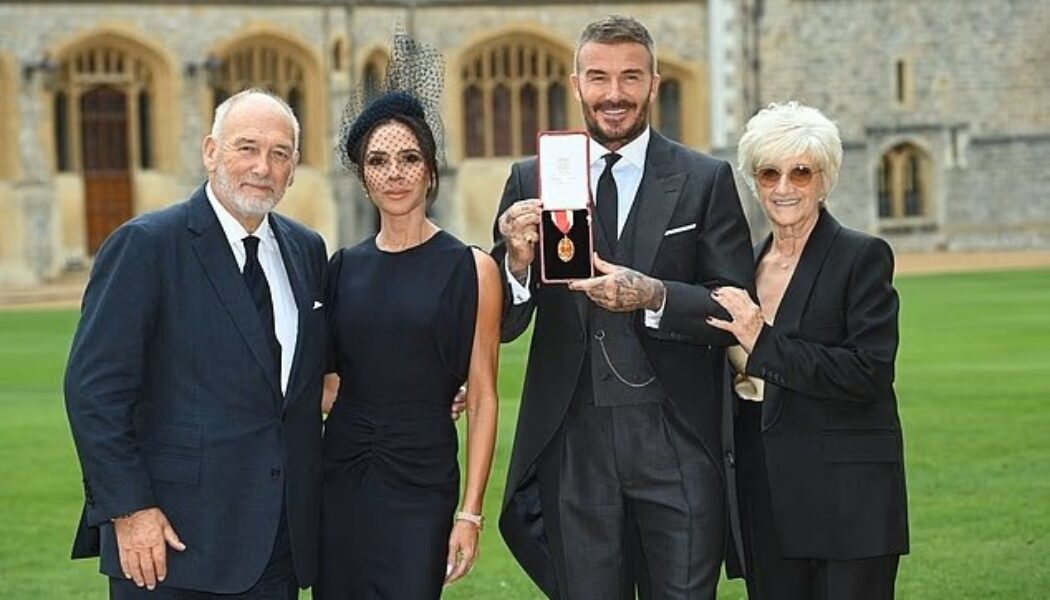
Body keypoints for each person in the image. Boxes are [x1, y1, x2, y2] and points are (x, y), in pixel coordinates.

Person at [493, 14, 755, 600]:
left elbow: (737, 308)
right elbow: (507, 324)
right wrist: (514, 261)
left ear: (654, 84)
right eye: (599, 78)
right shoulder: (531, 178)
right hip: (574, 441)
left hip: (677, 439)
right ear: (576, 83)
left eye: (630, 77)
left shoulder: (703, 179)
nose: (614, 94)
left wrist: (656, 295)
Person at [64, 89, 329, 598]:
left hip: (279, 546)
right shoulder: (146, 246)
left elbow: (312, 376)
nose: (262, 166)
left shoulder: (306, 249)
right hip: (170, 546)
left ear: (294, 168)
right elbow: (93, 391)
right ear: (211, 151)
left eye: (280, 153)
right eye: (246, 147)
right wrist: (130, 509)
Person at [710, 101, 909, 599]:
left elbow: (869, 372)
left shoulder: (861, 257)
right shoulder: (745, 267)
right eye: (769, 172)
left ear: (825, 179)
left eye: (801, 172)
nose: (783, 187)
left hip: (847, 502)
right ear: (754, 181)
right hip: (764, 494)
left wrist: (763, 341)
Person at [315, 71, 502, 596]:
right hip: (343, 478)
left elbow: (484, 396)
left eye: (409, 159)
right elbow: (327, 387)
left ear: (430, 172)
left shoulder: (473, 269)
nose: (394, 174)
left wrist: (470, 513)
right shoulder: (341, 268)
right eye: (378, 161)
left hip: (423, 481)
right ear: (363, 176)